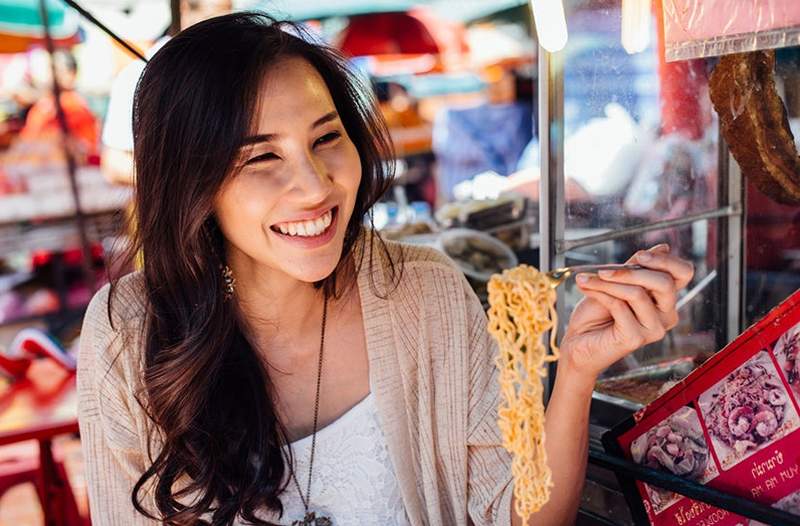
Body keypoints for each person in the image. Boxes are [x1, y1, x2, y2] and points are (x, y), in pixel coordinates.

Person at [77, 13, 694, 526]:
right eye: (262, 156)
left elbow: (519, 516)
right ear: (193, 184)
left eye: (326, 138)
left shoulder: (424, 294)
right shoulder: (129, 333)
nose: (314, 187)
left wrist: (579, 370)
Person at [100, 0, 232, 185]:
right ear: (184, 8)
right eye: (215, 15)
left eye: (228, 15)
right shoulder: (140, 73)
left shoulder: (237, 68)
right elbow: (114, 163)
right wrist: (183, 181)